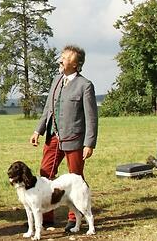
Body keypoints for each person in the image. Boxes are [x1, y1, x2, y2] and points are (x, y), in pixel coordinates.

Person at [29, 45, 98, 233]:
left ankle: (74, 218)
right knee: (44, 175)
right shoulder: (57, 80)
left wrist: (89, 143)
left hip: (74, 139)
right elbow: (48, 109)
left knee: (75, 178)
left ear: (76, 64)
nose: (61, 60)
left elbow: (91, 117)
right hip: (53, 136)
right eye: (62, 56)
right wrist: (38, 130)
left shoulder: (85, 85)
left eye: (65, 58)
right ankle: (46, 217)